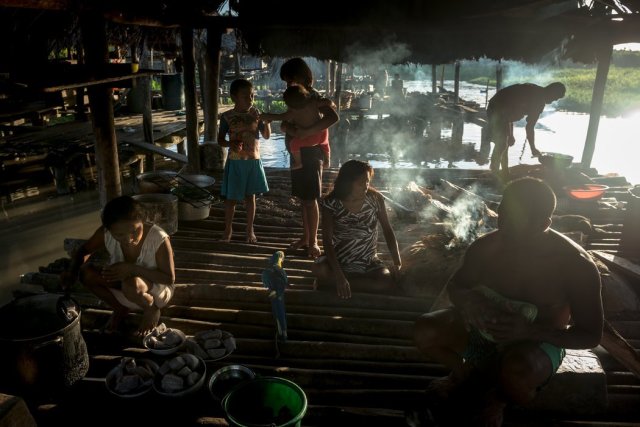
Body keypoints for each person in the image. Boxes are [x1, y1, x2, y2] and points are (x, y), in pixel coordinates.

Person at [413, 177, 603, 426]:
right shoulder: (486, 247)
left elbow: (591, 335)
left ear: (544, 223)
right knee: (425, 330)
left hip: (537, 342)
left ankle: (498, 398)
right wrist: (469, 302)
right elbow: (457, 286)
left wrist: (529, 330)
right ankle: (464, 373)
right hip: (482, 332)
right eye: (504, 216)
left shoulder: (576, 265)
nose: (505, 228)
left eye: (518, 224)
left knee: (517, 372)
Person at [61, 196, 176, 336]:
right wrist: (72, 271)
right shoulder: (105, 233)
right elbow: (84, 250)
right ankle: (120, 308)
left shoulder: (158, 237)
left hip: (157, 291)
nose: (128, 239)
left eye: (135, 231)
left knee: (131, 284)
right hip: (125, 288)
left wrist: (131, 268)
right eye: (119, 234)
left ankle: (151, 309)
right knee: (86, 273)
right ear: (109, 230)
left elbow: (168, 278)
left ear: (143, 220)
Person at [311, 160, 402, 299]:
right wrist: (339, 275)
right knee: (318, 268)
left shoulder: (375, 199)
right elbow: (327, 242)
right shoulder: (331, 203)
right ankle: (341, 281)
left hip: (368, 262)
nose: (365, 186)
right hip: (340, 261)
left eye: (367, 181)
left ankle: (331, 284)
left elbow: (388, 230)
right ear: (347, 183)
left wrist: (397, 262)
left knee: (386, 282)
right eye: (361, 183)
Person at [279, 58, 339, 258]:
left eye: (291, 80)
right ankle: (307, 236)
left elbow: (332, 117)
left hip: (310, 154)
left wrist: (307, 132)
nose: (288, 85)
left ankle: (313, 241)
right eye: (286, 82)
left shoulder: (312, 98)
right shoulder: (296, 98)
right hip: (298, 154)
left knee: (311, 198)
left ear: (304, 77)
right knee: (304, 199)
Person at [217, 78, 271, 243]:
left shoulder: (256, 114)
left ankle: (250, 229)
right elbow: (220, 140)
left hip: (253, 161)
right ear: (234, 97)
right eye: (246, 96)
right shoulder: (227, 117)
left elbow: (267, 136)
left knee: (250, 198)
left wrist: (266, 122)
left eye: (252, 95)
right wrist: (230, 143)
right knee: (231, 199)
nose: (250, 99)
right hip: (235, 162)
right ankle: (228, 229)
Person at [487, 82, 566, 179]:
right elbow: (529, 127)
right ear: (552, 92)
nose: (555, 100)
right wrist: (533, 148)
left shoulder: (538, 92)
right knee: (502, 143)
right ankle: (494, 172)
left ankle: (504, 172)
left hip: (502, 110)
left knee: (506, 142)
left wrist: (511, 134)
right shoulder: (538, 100)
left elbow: (510, 114)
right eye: (556, 97)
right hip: (496, 108)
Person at [261, 85, 332, 170]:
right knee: (325, 144)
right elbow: (326, 102)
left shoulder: (294, 112)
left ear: (289, 105)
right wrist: (330, 103)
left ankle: (298, 163)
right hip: (323, 131)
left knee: (294, 144)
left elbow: (280, 117)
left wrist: (266, 115)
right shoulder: (313, 102)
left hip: (313, 137)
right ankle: (327, 161)